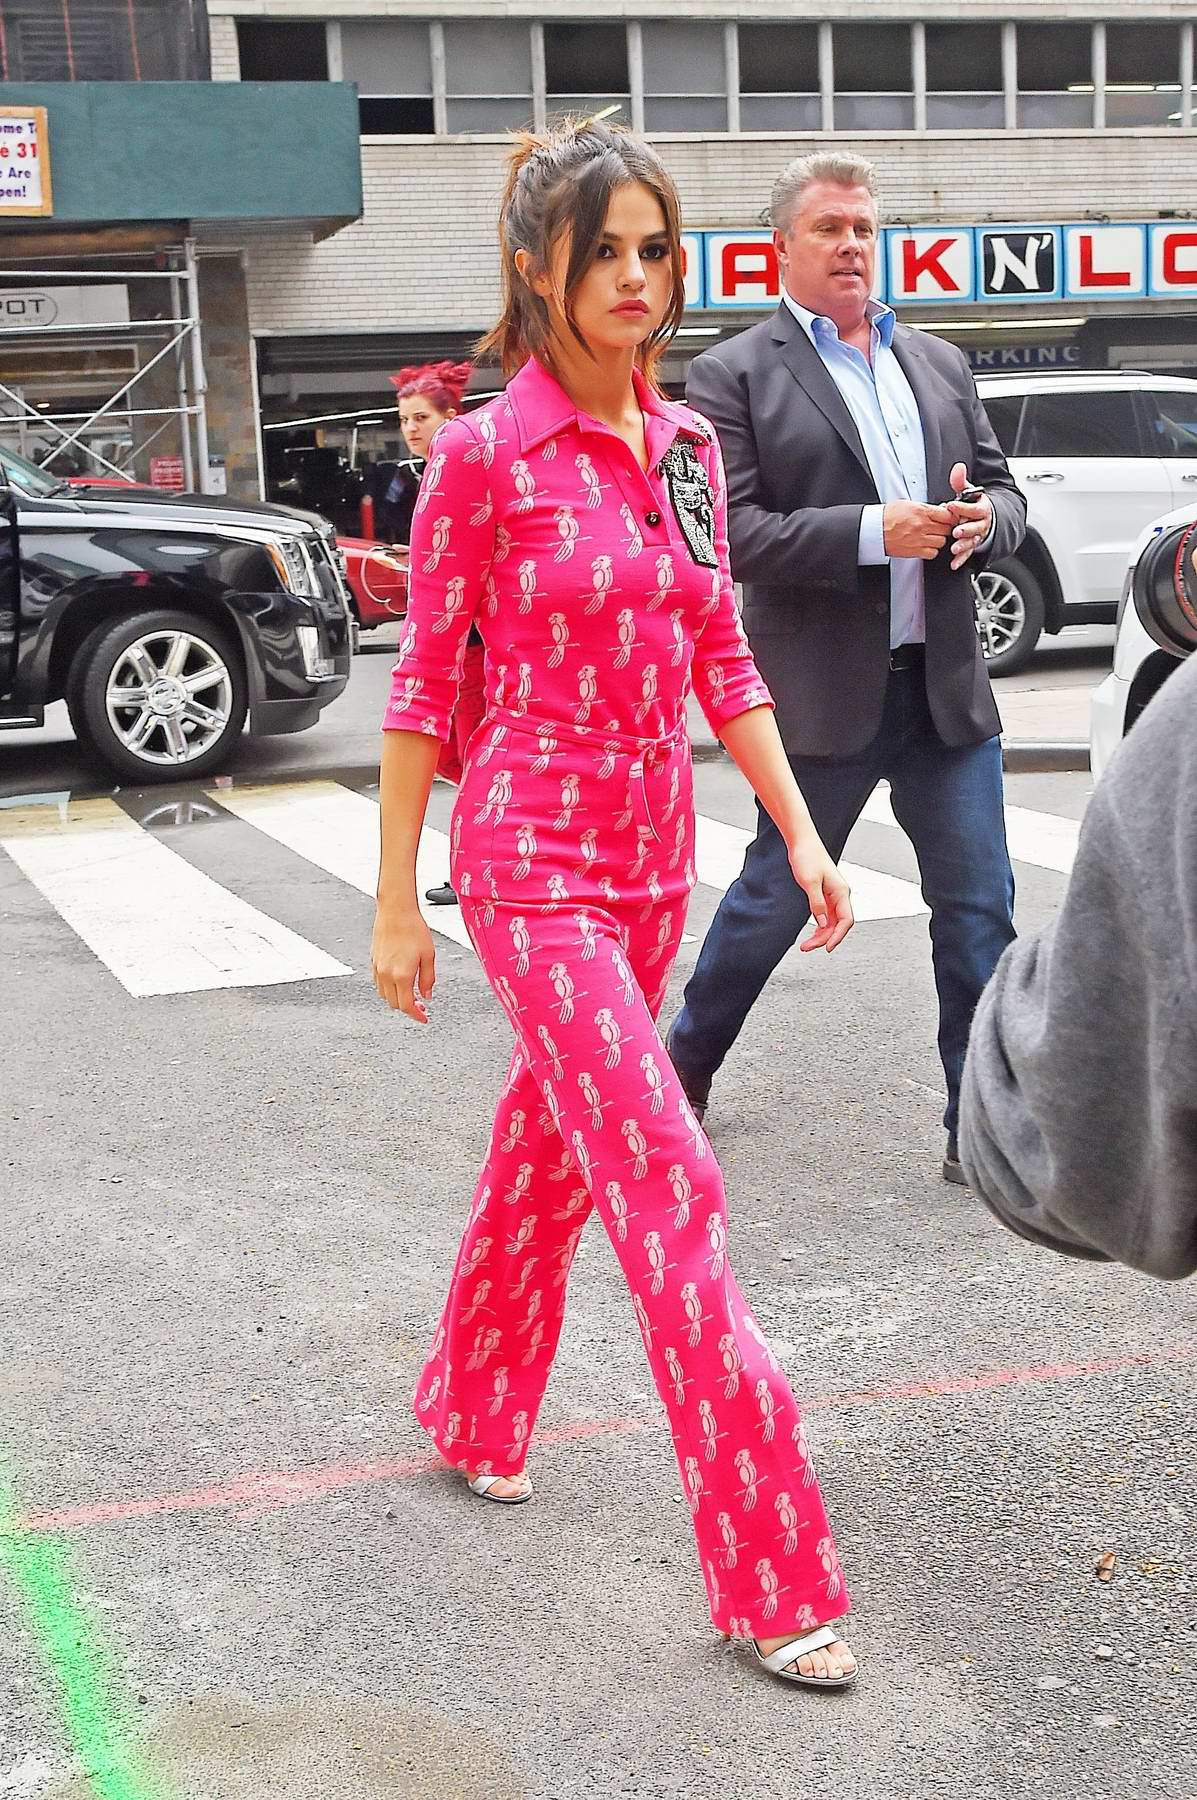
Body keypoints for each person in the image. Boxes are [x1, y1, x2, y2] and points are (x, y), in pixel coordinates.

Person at [372, 119, 860, 1690]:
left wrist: (797, 835)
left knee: (550, 1149)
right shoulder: (480, 458)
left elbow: (725, 659)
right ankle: (772, 1571)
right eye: (605, 252)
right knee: (665, 1179)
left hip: (657, 861)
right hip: (529, 863)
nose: (638, 279)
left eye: (658, 248)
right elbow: (418, 700)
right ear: (538, 266)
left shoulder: (693, 454)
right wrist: (397, 905)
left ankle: (469, 1402)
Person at [664, 151, 1028, 1185]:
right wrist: (878, 531)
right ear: (779, 247)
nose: (852, 245)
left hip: (944, 693)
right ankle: (683, 1071)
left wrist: (979, 522)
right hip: (820, 699)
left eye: (864, 227)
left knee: (980, 911)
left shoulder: (942, 364)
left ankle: (981, 1127)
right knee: (771, 902)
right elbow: (729, 535)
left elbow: (1005, 493)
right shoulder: (733, 375)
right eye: (828, 227)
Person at [960, 641, 1197, 1281]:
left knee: (978, 910)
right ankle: (692, 1066)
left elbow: (1069, 1129)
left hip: (947, 715)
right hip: (831, 717)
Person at [387, 361, 484, 906]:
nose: (411, 428)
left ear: (451, 416)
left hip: (475, 643)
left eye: (421, 417)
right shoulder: (411, 475)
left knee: (470, 754)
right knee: (452, 753)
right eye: (404, 419)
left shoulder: (468, 465)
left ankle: (470, 864)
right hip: (439, 639)